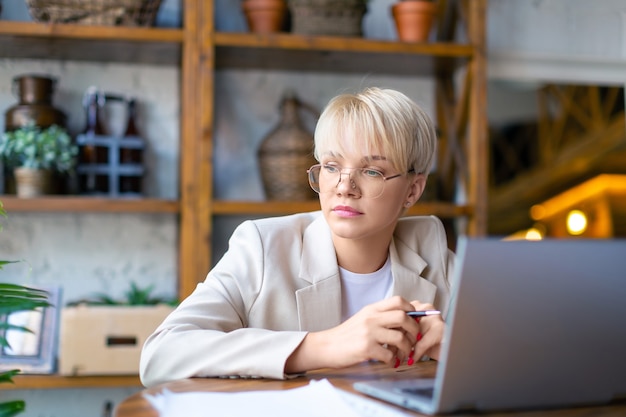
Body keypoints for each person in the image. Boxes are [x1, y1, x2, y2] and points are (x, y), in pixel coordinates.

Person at [140, 87, 454, 387]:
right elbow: (160, 355)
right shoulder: (263, 247)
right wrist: (322, 347)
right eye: (332, 166)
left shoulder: (432, 250)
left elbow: (499, 361)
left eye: (371, 171)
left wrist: (453, 348)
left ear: (412, 190)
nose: (344, 187)